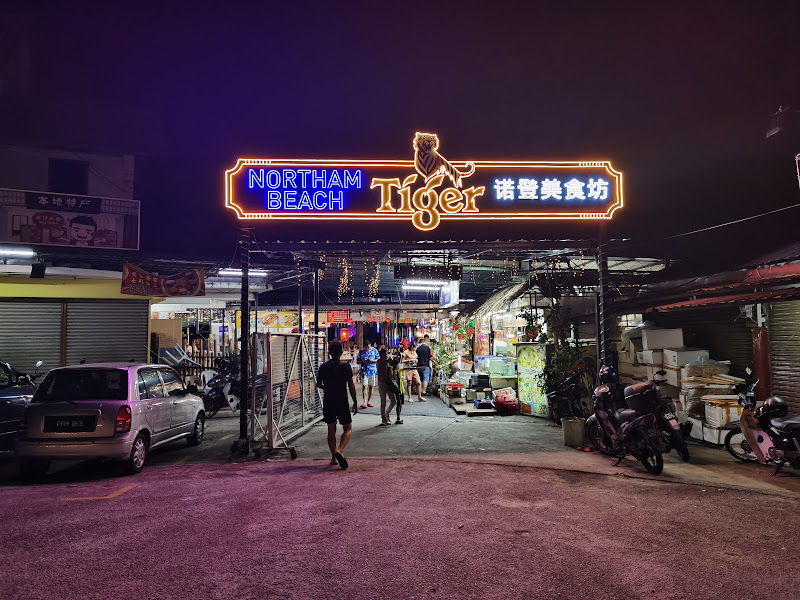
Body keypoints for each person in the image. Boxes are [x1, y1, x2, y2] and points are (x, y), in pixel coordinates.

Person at [316, 340, 358, 470]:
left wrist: (328, 388)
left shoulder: (323, 367)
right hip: (342, 400)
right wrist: (355, 401)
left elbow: (319, 384)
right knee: (347, 428)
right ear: (341, 352)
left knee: (331, 429)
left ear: (329, 352)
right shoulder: (345, 366)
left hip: (329, 400)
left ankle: (333, 457)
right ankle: (340, 450)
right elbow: (351, 385)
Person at [376, 347, 397, 425]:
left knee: (392, 401)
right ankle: (384, 419)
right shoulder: (381, 362)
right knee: (384, 402)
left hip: (387, 383)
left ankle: (386, 413)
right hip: (383, 383)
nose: (385, 355)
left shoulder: (386, 362)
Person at [357, 341, 379, 409]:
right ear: (364, 346)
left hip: (372, 371)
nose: (367, 348)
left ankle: (369, 401)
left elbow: (378, 359)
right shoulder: (361, 352)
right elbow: (357, 361)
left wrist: (372, 361)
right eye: (366, 347)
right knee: (364, 386)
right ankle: (364, 402)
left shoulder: (374, 350)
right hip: (364, 371)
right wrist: (363, 361)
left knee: (371, 386)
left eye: (368, 347)